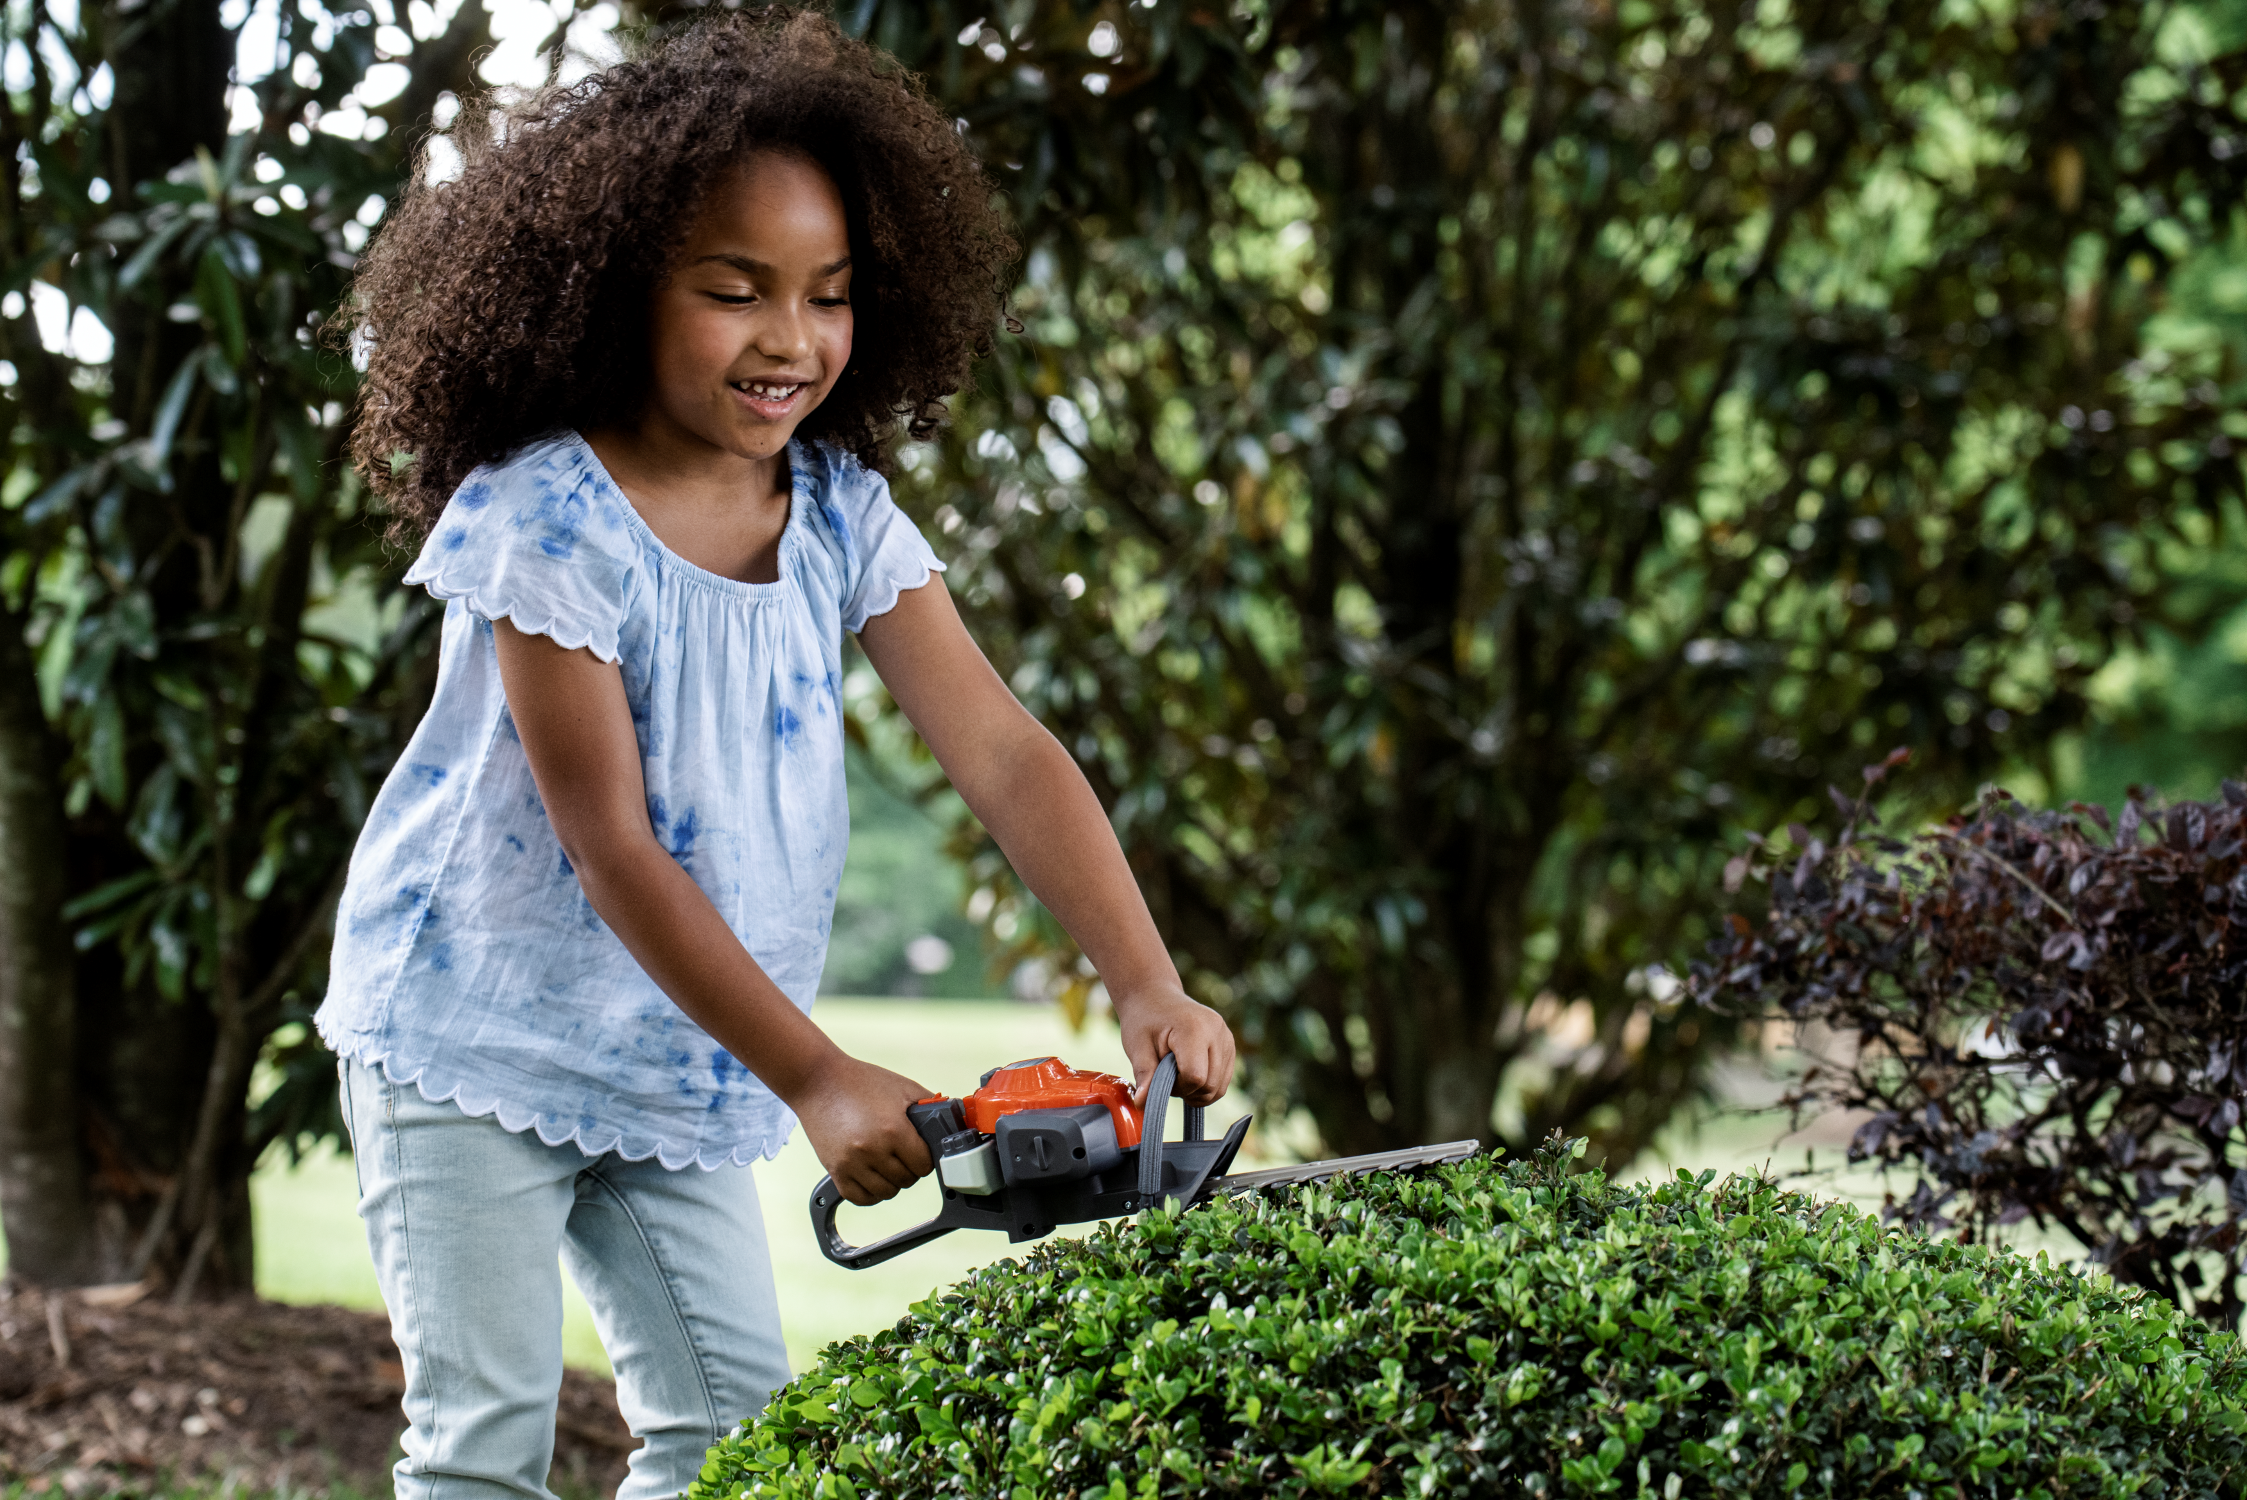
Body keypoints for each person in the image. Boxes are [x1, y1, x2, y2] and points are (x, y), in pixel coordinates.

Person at [313, 12, 1236, 1500]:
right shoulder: (545, 521)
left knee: (728, 1434)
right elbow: (610, 846)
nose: (790, 340)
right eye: (734, 291)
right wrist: (815, 1076)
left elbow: (1003, 753)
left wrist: (1143, 977)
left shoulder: (840, 513)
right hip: (473, 1038)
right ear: (618, 286)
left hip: (681, 1059)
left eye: (829, 295)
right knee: (483, 1446)